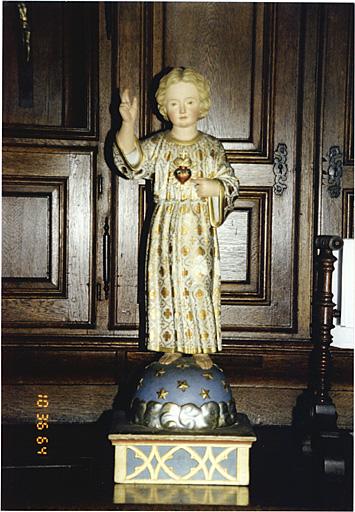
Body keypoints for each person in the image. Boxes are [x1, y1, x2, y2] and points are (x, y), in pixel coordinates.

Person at [113, 67, 239, 369]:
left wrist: (215, 187)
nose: (182, 110)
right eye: (174, 103)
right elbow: (132, 161)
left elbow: (231, 183)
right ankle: (168, 341)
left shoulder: (211, 147)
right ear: (164, 107)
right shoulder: (159, 145)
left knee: (198, 281)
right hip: (166, 226)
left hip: (197, 228)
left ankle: (200, 344)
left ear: (202, 104)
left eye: (189, 102)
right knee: (166, 282)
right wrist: (127, 124)